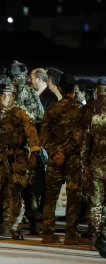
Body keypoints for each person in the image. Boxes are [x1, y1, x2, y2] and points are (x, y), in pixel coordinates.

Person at [0, 78, 40, 240]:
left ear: (14, 96)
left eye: (9, 94)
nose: (5, 97)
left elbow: (32, 136)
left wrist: (33, 155)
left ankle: (13, 226)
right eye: (3, 94)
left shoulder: (21, 115)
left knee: (15, 194)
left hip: (16, 160)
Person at [40, 73, 88, 245]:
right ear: (74, 90)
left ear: (59, 88)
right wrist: (66, 152)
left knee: (50, 196)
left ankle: (47, 233)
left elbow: (43, 135)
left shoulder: (52, 109)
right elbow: (80, 136)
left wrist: (55, 152)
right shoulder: (81, 111)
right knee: (73, 196)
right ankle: (71, 234)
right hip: (73, 160)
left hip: (55, 159)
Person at [82, 77, 106, 251]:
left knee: (96, 202)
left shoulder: (91, 108)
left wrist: (85, 163)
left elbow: (86, 140)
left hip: (96, 163)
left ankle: (96, 236)